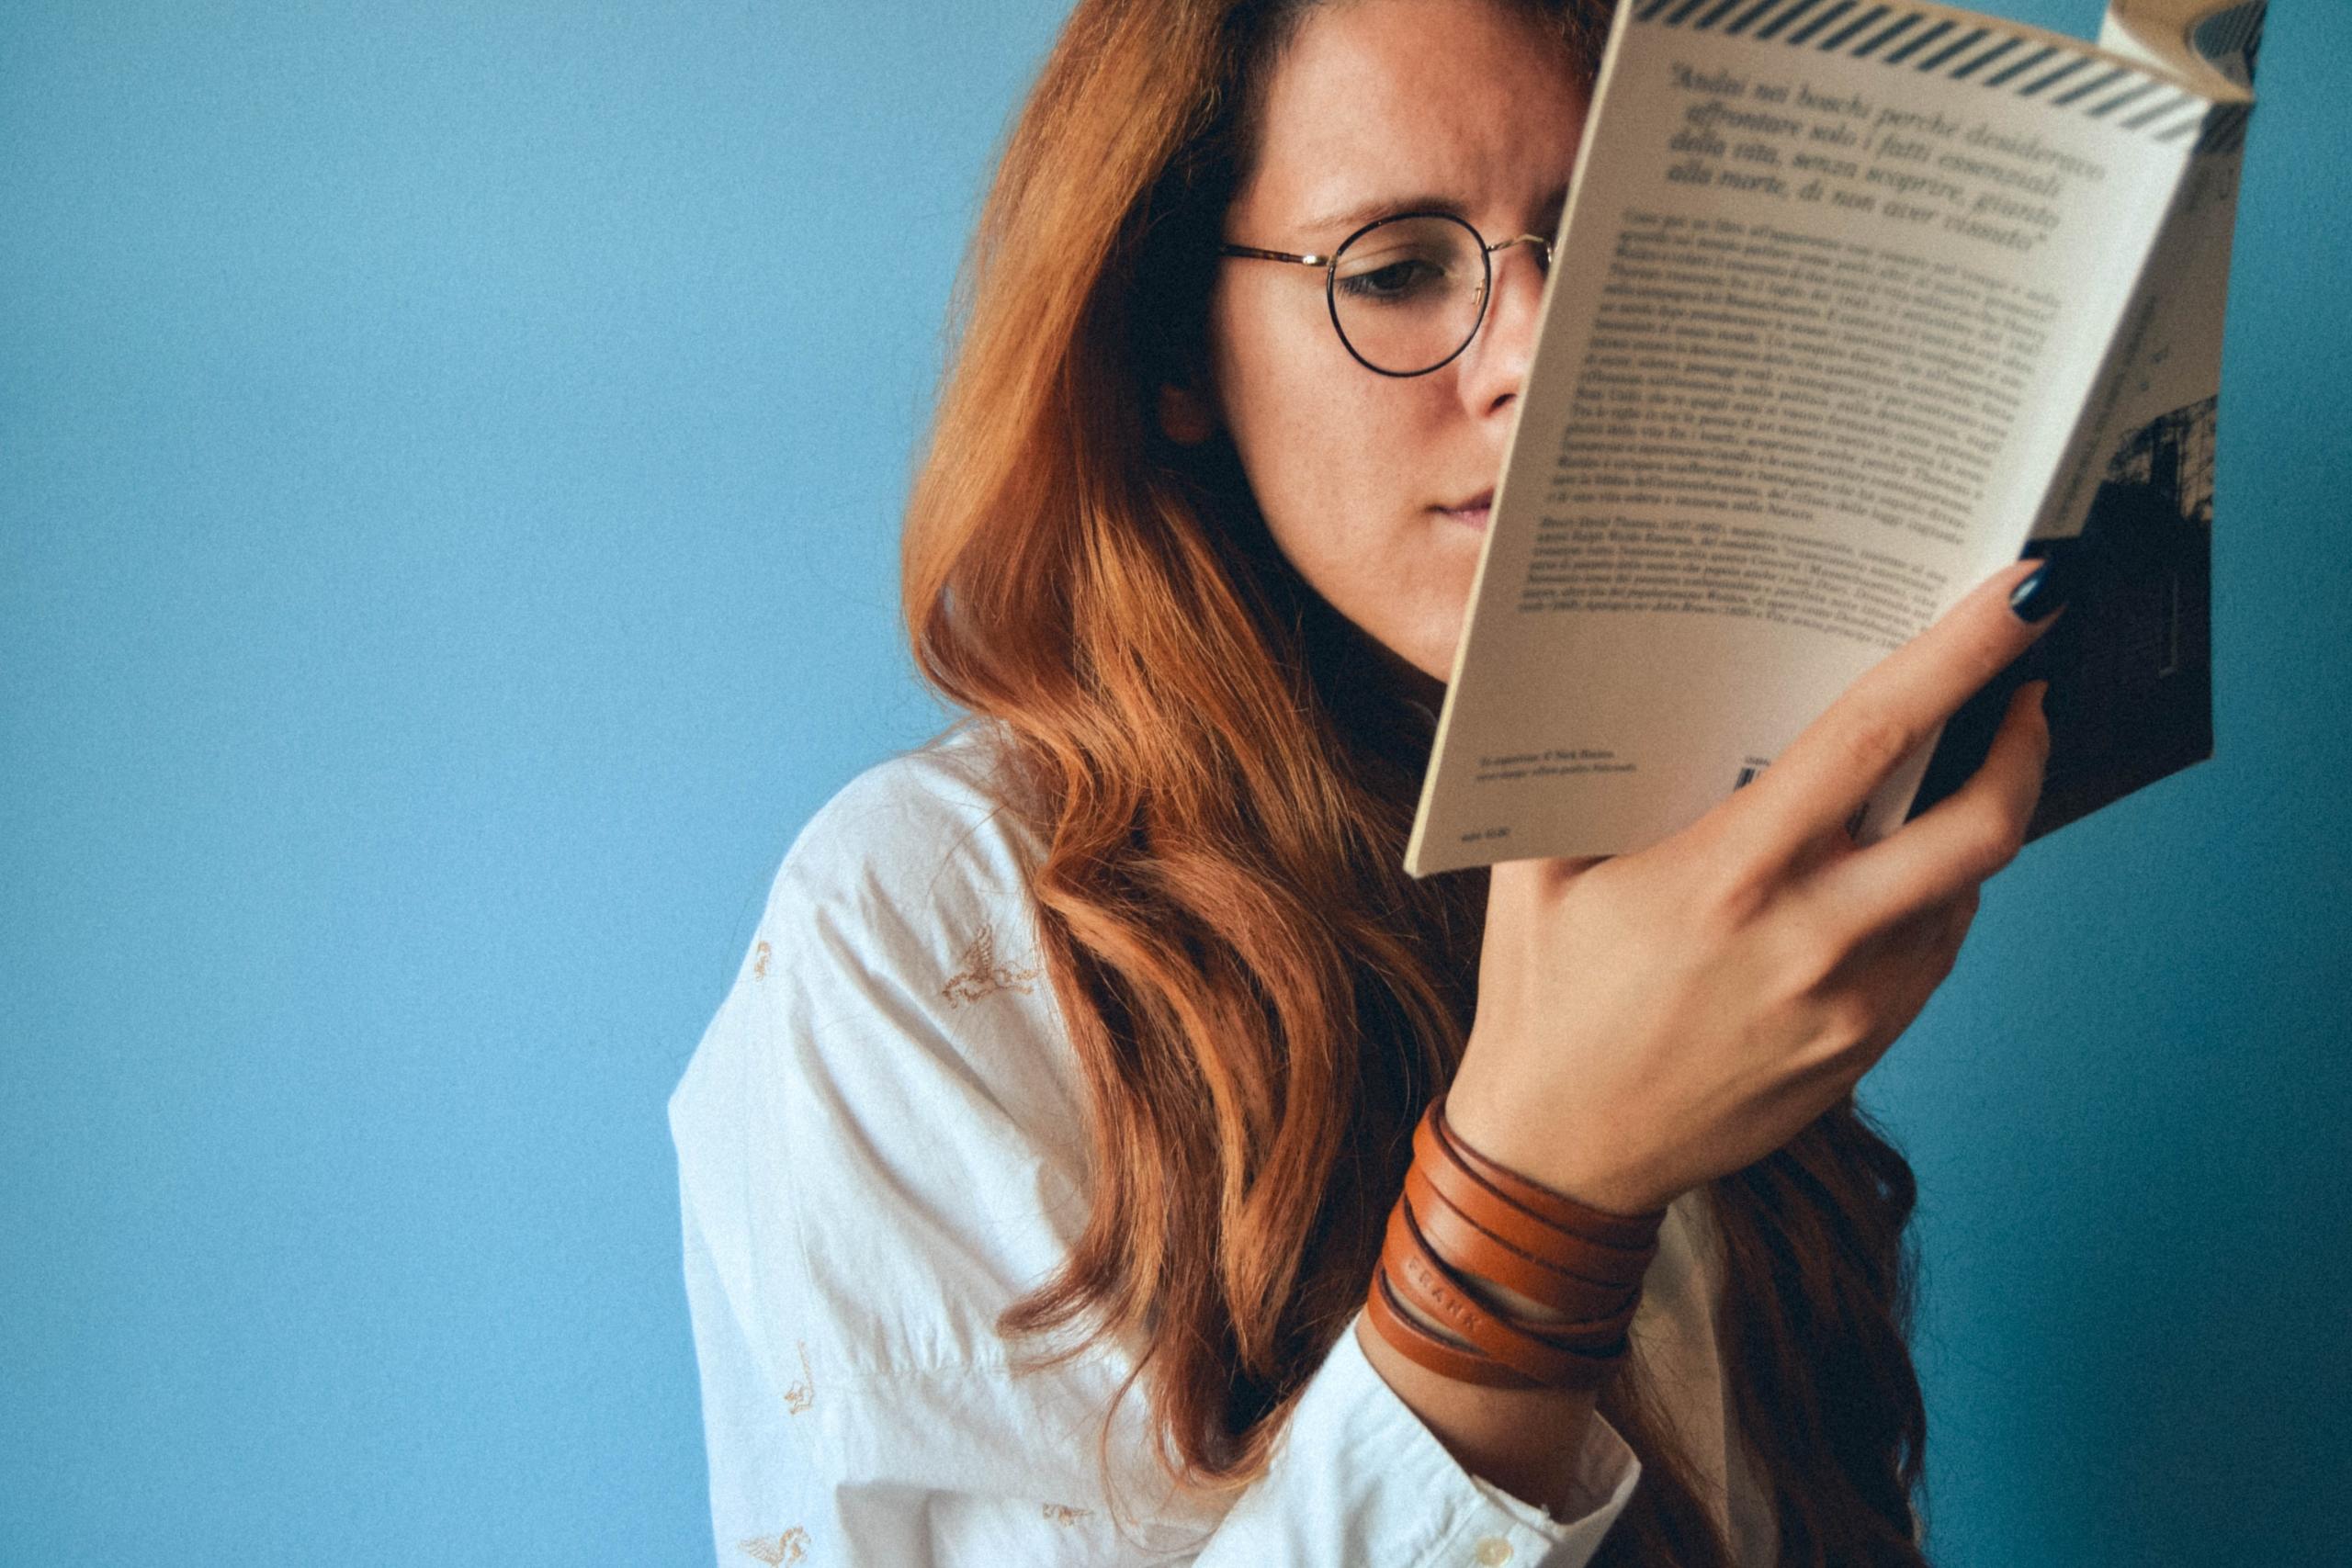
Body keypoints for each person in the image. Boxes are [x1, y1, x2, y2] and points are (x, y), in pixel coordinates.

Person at [669, 0, 2065, 1562]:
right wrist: (1540, 1197)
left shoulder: (1671, 826)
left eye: (1602, 243)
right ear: (1166, 349)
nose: (1545, 354)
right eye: (1397, 267)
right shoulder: (929, 926)